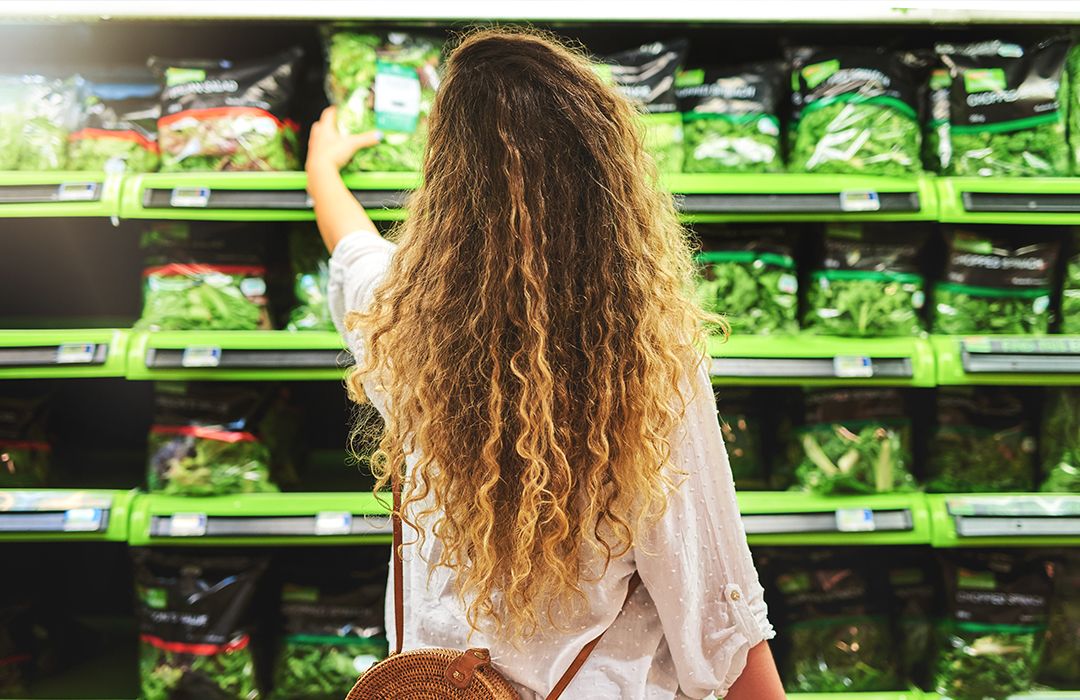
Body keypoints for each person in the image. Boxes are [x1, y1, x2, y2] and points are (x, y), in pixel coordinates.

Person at [306, 28, 784, 700]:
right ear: (610, 189)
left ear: (446, 183)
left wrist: (321, 169)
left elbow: (353, 251)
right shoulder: (643, 368)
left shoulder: (406, 328)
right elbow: (717, 611)